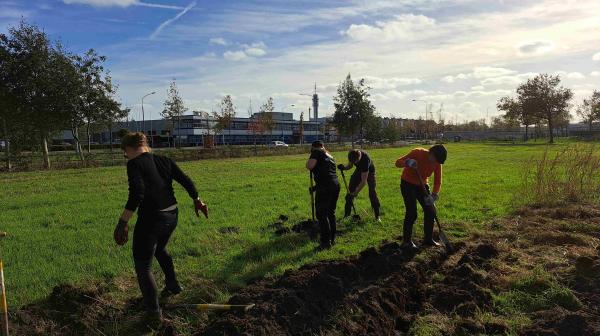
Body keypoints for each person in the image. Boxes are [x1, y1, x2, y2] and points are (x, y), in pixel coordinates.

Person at [113, 132, 208, 322]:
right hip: (172, 215)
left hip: (152, 219)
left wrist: (123, 221)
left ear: (129, 149)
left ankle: (153, 313)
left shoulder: (134, 163)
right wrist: (198, 201)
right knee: (161, 249)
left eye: (125, 153)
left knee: (143, 264)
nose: (126, 157)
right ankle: (173, 285)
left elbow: (137, 194)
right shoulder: (164, 159)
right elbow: (186, 181)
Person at [395, 144, 447, 249]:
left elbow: (437, 182)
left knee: (431, 210)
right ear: (431, 153)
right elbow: (397, 163)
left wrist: (434, 195)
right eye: (435, 159)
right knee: (412, 212)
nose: (435, 163)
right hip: (407, 184)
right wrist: (407, 163)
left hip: (422, 185)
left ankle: (428, 239)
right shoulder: (417, 152)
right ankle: (407, 242)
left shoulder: (437, 163)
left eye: (438, 161)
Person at [305, 141, 340, 249]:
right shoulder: (330, 155)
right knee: (330, 213)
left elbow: (309, 166)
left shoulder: (316, 152)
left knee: (321, 214)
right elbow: (327, 172)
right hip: (335, 185)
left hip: (325, 187)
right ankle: (332, 239)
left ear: (313, 147)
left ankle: (325, 242)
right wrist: (316, 187)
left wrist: (311, 156)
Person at [338, 149, 381, 222]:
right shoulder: (352, 155)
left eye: (356, 161)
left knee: (372, 192)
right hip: (359, 170)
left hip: (369, 171)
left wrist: (355, 193)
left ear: (359, 157)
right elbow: (350, 165)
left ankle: (377, 216)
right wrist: (344, 168)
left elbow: (363, 182)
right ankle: (346, 215)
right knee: (350, 190)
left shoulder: (365, 160)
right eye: (353, 161)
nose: (355, 163)